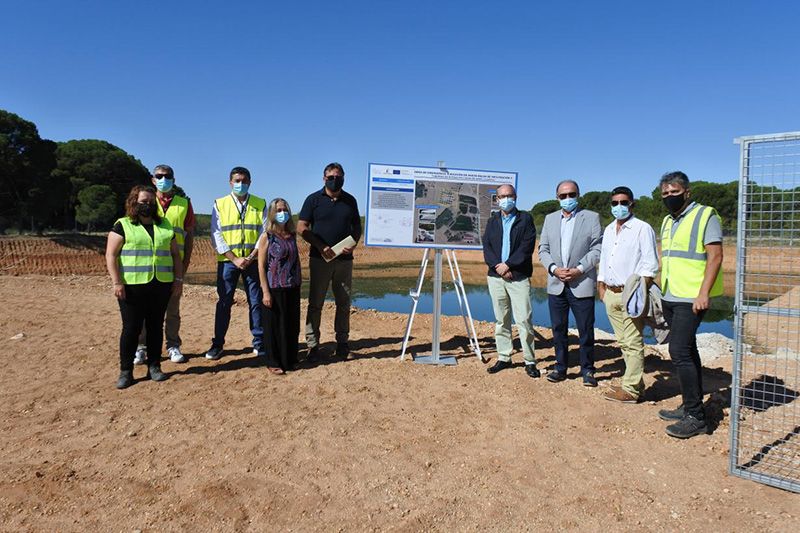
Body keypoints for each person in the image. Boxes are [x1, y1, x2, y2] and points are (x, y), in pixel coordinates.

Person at [657, 171, 723, 439]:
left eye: (674, 192)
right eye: (665, 194)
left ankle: (696, 417)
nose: (669, 197)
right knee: (688, 350)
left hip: (692, 297)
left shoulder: (706, 215)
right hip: (670, 293)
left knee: (679, 350)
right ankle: (690, 403)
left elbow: (716, 256)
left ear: (687, 192)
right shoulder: (667, 220)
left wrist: (703, 293)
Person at [105, 185, 183, 389]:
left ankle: (155, 367)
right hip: (131, 286)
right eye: (143, 202)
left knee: (156, 326)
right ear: (134, 202)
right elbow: (111, 255)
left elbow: (175, 255)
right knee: (131, 328)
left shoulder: (165, 224)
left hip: (161, 284)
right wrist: (116, 282)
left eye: (150, 202)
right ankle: (125, 372)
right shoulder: (123, 224)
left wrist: (178, 280)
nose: (147, 205)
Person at [597, 186, 659, 403]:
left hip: (631, 294)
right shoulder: (608, 230)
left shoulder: (642, 228)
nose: (619, 206)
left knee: (633, 341)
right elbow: (605, 259)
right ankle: (636, 385)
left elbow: (650, 264)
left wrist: (638, 292)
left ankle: (631, 390)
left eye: (624, 202)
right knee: (623, 341)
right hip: (611, 294)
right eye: (615, 203)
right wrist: (601, 287)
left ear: (632, 203)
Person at [538, 179, 602, 386]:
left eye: (571, 195)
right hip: (556, 284)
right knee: (558, 329)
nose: (568, 199)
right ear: (557, 198)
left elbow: (597, 248)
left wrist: (579, 269)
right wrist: (554, 269)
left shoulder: (591, 218)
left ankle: (588, 370)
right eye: (563, 196)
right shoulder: (549, 219)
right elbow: (543, 250)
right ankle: (560, 367)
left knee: (585, 329)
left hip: (581, 282)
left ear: (578, 195)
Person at [297, 162, 362, 360]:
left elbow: (357, 227)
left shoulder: (350, 201)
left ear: (344, 178)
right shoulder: (313, 199)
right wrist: (320, 246)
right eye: (331, 177)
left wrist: (353, 244)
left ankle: (342, 344)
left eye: (339, 177)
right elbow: (301, 227)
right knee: (316, 303)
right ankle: (313, 345)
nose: (335, 180)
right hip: (320, 260)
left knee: (344, 302)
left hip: (344, 261)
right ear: (324, 178)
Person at [134, 164, 195, 365]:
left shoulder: (184, 203)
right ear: (153, 179)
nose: (163, 179)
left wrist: (184, 265)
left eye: (167, 176)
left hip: (174, 265)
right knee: (144, 310)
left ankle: (172, 345)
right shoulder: (146, 201)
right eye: (159, 176)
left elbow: (189, 235)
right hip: (149, 264)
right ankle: (141, 347)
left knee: (173, 309)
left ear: (173, 179)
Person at [205, 167, 267, 361]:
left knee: (256, 302)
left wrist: (252, 255)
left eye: (244, 180)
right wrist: (234, 258)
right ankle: (218, 344)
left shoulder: (260, 203)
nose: (240, 184)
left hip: (253, 260)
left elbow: (264, 232)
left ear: (250, 182)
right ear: (230, 182)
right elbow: (216, 234)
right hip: (228, 262)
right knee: (224, 302)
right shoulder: (220, 203)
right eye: (237, 180)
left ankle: (259, 342)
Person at [482, 184, 540, 378]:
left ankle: (530, 361)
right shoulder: (492, 221)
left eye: (509, 195)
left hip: (518, 277)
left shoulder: (525, 219)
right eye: (502, 196)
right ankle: (504, 357)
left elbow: (526, 247)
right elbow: (487, 246)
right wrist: (498, 267)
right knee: (502, 320)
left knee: (524, 320)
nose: (506, 199)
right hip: (496, 277)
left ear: (515, 197)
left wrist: (509, 266)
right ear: (496, 200)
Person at [257, 198, 302, 374]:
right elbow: (261, 266)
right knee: (275, 326)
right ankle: (273, 361)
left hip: (292, 286)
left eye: (285, 210)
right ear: (272, 214)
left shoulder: (292, 235)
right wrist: (265, 291)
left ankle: (290, 359)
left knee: (290, 325)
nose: (282, 213)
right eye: (278, 210)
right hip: (274, 287)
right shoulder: (266, 236)